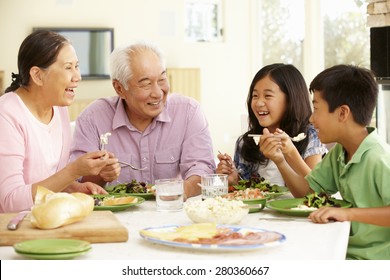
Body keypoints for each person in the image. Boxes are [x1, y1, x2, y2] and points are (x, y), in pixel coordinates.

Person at [269, 64, 390, 260]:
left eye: (316, 108)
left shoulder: (378, 157)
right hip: (344, 250)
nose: (311, 118)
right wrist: (280, 161)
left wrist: (347, 214)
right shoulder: (340, 152)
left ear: (342, 113)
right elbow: (308, 192)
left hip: (374, 262)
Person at [70, 42, 216, 199]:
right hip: (116, 216)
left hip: (172, 211)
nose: (158, 93)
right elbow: (77, 184)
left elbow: (202, 168)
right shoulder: (92, 119)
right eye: (146, 84)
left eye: (162, 79)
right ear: (119, 88)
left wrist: (181, 191)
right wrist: (101, 175)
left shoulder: (188, 111)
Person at [0, 30, 117, 213]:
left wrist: (72, 188)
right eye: (68, 67)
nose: (77, 76)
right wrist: (73, 171)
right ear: (38, 75)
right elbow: (10, 202)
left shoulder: (59, 108)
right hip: (13, 230)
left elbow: (47, 179)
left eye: (77, 66)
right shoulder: (6, 114)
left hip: (46, 221)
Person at [217, 63, 327, 186]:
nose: (258, 103)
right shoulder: (245, 142)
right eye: (255, 96)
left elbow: (316, 188)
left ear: (291, 99)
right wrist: (234, 180)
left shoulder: (309, 136)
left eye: (268, 96)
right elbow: (247, 193)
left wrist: (289, 154)